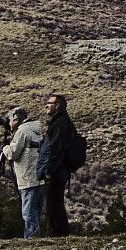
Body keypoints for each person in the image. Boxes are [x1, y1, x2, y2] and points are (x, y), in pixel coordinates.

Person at [39, 91, 85, 237]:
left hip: (58, 168)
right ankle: (58, 231)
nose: (46, 105)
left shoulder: (60, 124)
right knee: (54, 200)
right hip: (61, 167)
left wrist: (49, 169)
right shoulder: (61, 122)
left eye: (50, 103)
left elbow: (56, 149)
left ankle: (57, 232)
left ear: (57, 106)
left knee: (54, 201)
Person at [2, 106, 45, 238]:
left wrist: (5, 147)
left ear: (16, 119)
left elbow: (13, 154)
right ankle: (35, 237)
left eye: (9, 120)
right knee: (36, 211)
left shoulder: (22, 132)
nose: (8, 123)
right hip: (39, 177)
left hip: (28, 178)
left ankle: (31, 239)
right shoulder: (36, 129)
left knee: (28, 213)